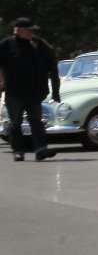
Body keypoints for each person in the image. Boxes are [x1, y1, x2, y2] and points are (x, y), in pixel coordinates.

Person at [0, 17, 61, 161]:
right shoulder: (7, 44)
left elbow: (51, 64)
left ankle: (41, 150)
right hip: (14, 92)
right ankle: (18, 151)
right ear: (19, 30)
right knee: (15, 123)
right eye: (29, 30)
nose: (31, 32)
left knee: (36, 122)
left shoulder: (38, 44)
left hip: (34, 92)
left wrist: (55, 90)